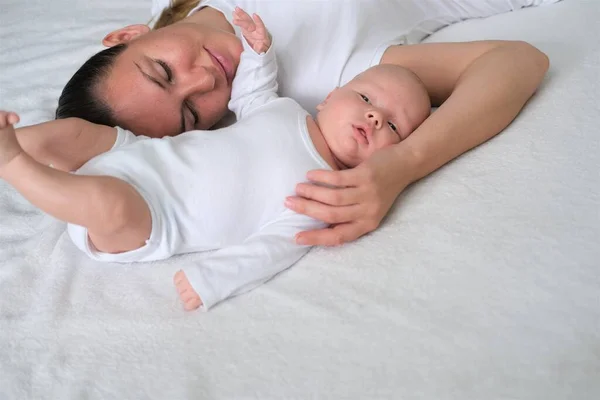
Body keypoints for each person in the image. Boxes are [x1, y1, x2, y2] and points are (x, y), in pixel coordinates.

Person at [0, 7, 431, 310]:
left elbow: (275, 249)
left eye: (393, 127)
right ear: (330, 99)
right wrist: (260, 53)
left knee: (107, 204)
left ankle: (15, 164)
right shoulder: (283, 110)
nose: (375, 116)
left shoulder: (324, 193)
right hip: (137, 153)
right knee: (77, 135)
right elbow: (253, 92)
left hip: (155, 217)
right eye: (365, 98)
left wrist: (216, 278)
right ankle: (17, 142)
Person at [54, 0, 555, 247]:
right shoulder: (331, 86)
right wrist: (403, 163)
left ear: (127, 35)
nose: (204, 79)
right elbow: (516, 60)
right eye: (190, 112)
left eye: (162, 71)